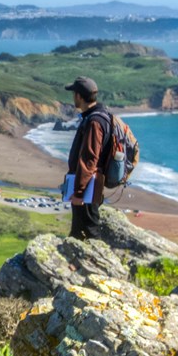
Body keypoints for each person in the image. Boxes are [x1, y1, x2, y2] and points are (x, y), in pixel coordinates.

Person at [65, 76, 110, 240]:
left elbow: (89, 158)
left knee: (89, 231)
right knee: (79, 231)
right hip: (88, 183)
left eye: (74, 94)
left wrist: (79, 192)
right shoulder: (98, 116)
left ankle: (97, 263)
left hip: (88, 186)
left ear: (78, 96)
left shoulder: (94, 122)